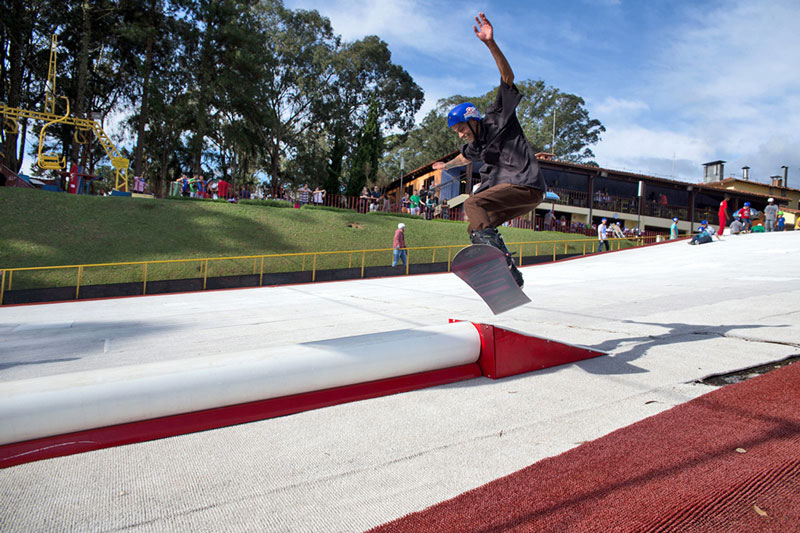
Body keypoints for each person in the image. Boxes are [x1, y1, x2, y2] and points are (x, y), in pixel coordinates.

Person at [432, 13, 547, 287]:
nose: (460, 133)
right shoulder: (475, 145)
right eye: (457, 131)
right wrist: (444, 167)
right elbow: (464, 155)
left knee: (473, 202)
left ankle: (498, 259)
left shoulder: (498, 116)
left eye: (461, 127)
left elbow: (507, 77)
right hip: (521, 197)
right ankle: (509, 273)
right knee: (476, 224)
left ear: (472, 119)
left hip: (524, 183)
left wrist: (490, 44)